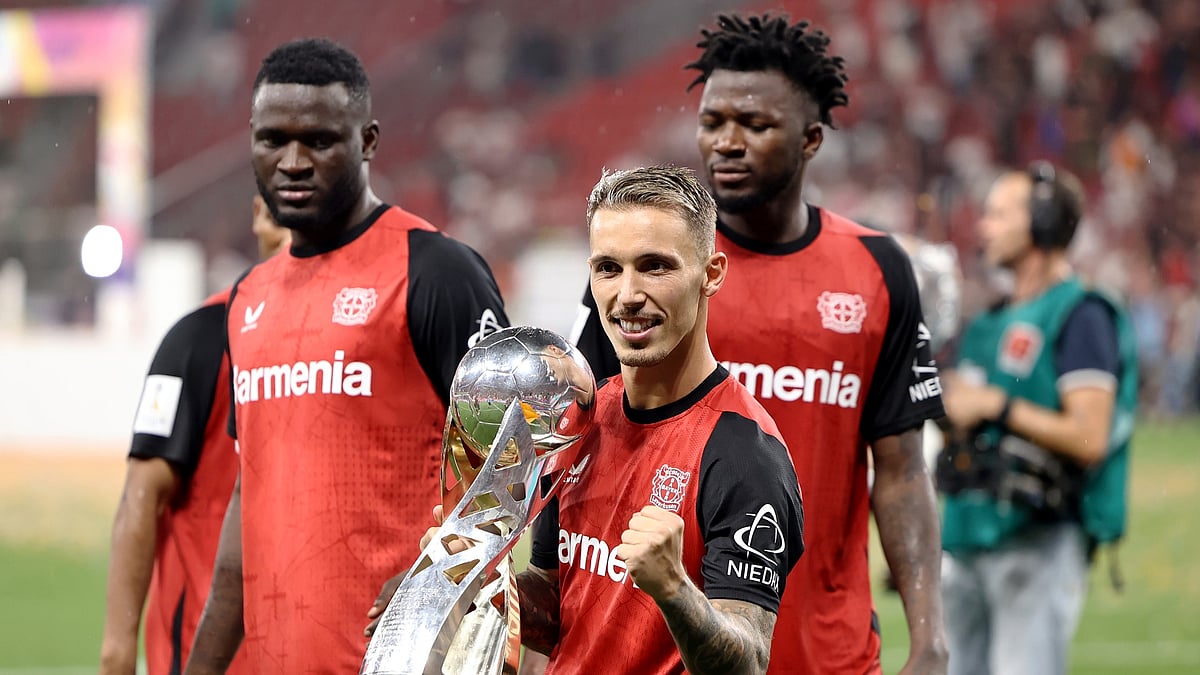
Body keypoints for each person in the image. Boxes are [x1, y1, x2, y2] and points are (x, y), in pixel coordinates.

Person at [570, 14, 947, 675]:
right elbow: (593, 428)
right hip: (681, 641)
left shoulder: (878, 271)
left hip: (827, 648)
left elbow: (903, 470)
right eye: (713, 122)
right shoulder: (652, 273)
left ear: (810, 139)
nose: (727, 142)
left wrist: (930, 636)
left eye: (755, 124)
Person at [184, 38, 509, 674]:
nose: (293, 162)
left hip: (407, 661)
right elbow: (251, 497)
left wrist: (443, 577)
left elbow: (513, 459)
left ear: (368, 141)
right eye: (272, 139)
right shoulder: (248, 299)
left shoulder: (436, 272)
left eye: (321, 141)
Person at [484, 165, 801, 674]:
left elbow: (747, 664)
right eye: (608, 268)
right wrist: (480, 583)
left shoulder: (745, 455)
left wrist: (673, 588)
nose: (627, 295)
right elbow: (554, 607)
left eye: (654, 266)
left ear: (711, 274)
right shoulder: (576, 420)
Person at [938, 162, 1137, 675]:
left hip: (1037, 538)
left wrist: (996, 407)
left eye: (999, 214)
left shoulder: (1082, 312)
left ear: (1044, 222)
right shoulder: (989, 321)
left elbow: (1090, 435)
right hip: (967, 533)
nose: (985, 226)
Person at [98, 197, 289, 675]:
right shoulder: (199, 339)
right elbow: (141, 495)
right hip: (203, 658)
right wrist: (117, 653)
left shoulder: (358, 338)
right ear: (260, 216)